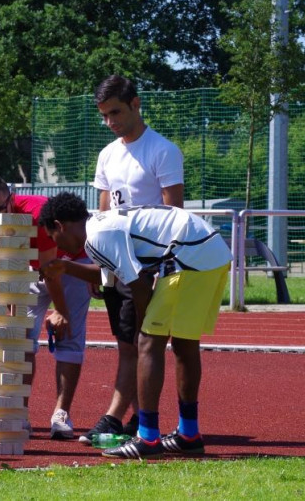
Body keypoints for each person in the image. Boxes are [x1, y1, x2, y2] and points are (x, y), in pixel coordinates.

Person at [39, 193, 231, 458]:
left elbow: (138, 285)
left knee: (148, 342)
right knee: (185, 342)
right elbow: (113, 278)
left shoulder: (98, 236)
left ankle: (148, 438)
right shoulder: (100, 227)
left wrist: (145, 332)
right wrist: (66, 267)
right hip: (208, 251)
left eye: (52, 236)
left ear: (60, 225)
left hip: (187, 254)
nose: (56, 244)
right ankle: (189, 434)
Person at [81, 74, 184, 444]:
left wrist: (161, 269)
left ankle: (120, 418)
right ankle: (139, 419)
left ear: (136, 104)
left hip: (149, 267)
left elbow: (175, 213)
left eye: (116, 112)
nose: (111, 122)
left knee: (143, 343)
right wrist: (98, 264)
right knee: (127, 342)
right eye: (105, 116)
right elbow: (104, 214)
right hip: (117, 265)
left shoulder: (163, 150)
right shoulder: (107, 154)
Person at [0, 174, 92, 440]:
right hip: (28, 271)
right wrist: (10, 307)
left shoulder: (36, 214)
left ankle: (61, 415)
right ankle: (20, 413)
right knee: (20, 339)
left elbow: (52, 271)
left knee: (69, 336)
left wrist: (62, 311)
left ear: (11, 198)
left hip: (68, 264)